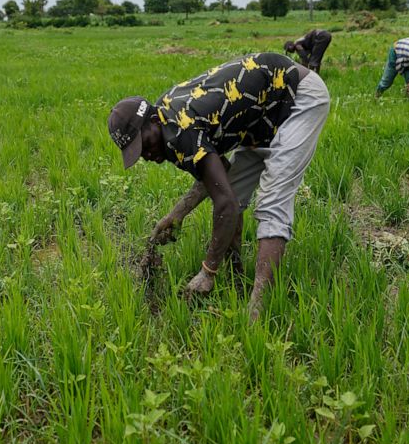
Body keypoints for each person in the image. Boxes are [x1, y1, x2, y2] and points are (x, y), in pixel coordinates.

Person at [108, 52, 330, 320]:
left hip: (298, 97)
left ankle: (257, 312)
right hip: (264, 115)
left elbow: (224, 202)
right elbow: (218, 175)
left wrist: (207, 271)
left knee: (272, 201)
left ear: (153, 121)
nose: (146, 154)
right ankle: (237, 276)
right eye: (137, 151)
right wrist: (177, 214)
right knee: (234, 191)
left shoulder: (179, 129)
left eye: (144, 144)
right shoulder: (166, 120)